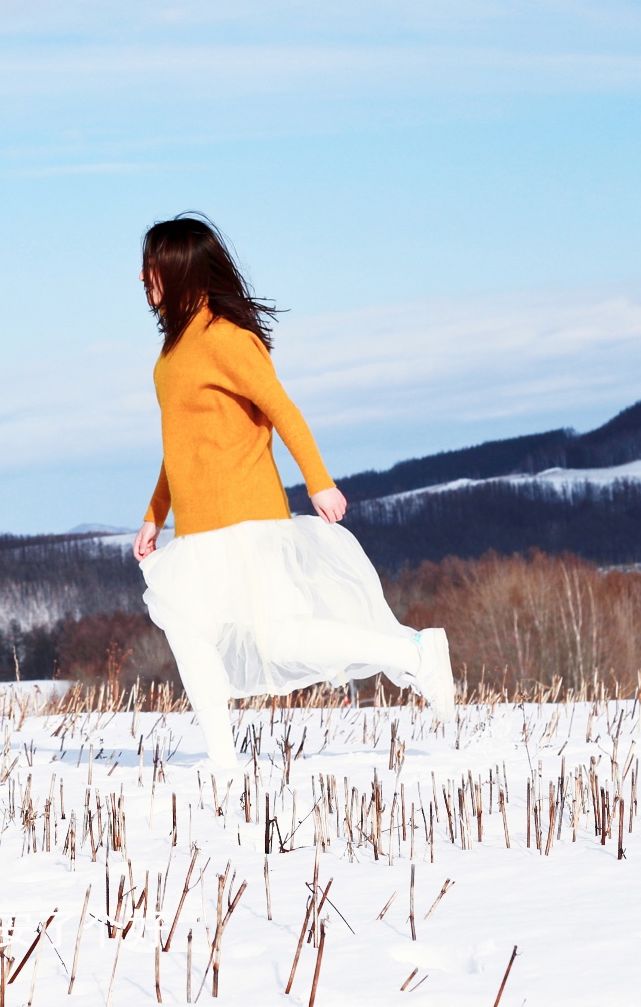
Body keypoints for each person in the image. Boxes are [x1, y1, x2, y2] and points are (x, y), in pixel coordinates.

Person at [132, 214, 453, 771]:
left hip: (249, 520)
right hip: (200, 529)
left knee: (282, 642)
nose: (143, 278)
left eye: (152, 266)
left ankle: (414, 652)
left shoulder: (227, 339)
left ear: (180, 270)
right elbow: (178, 446)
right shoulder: (170, 356)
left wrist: (319, 481)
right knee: (188, 631)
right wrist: (154, 516)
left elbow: (283, 410)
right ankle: (224, 763)